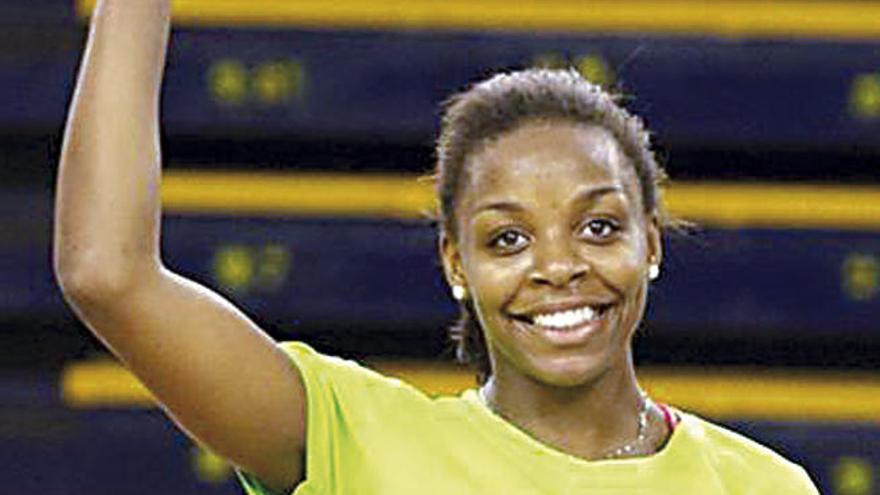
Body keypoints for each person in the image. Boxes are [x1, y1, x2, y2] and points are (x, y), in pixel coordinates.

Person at [54, 1, 820, 494]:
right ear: (457, 263)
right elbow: (106, 271)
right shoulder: (355, 438)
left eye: (598, 226)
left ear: (651, 240)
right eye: (508, 237)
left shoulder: (762, 484)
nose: (558, 267)